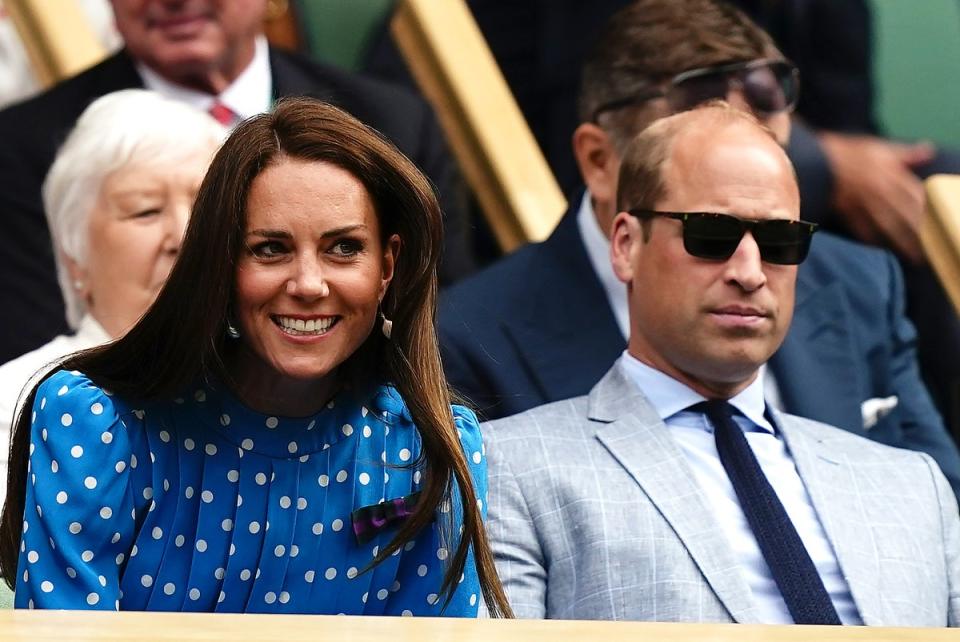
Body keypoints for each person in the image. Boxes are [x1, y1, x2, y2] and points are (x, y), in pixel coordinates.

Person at [0, 98, 510, 618]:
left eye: (343, 248)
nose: (309, 284)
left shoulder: (429, 447)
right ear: (218, 264)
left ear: (387, 266)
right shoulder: (96, 422)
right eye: (270, 249)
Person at [438, 0, 960, 497]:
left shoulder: (861, 286)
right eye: (707, 229)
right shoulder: (468, 341)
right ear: (600, 160)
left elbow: (939, 507)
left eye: (762, 147)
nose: (751, 269)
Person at [485, 102, 960, 625]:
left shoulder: (915, 487)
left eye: (780, 241)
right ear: (625, 245)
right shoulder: (509, 466)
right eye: (711, 234)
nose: (751, 272)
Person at [0, 0, 473, 365]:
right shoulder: (26, 146)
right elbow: (35, 334)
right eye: (145, 209)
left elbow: (434, 316)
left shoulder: (388, 122)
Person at [0, 90, 226, 500]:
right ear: (74, 258)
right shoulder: (16, 406)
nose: (184, 236)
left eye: (207, 208)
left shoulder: (288, 388)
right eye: (145, 211)